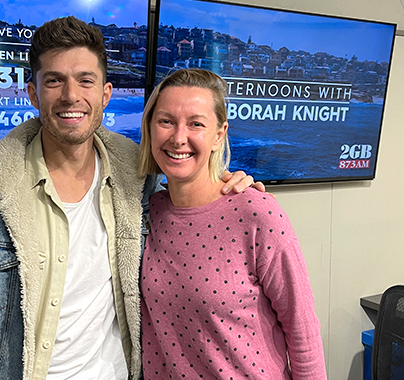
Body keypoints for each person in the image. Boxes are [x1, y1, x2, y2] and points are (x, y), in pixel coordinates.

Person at [0, 16, 261, 379]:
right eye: (54, 80)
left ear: (105, 94)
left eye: (85, 80)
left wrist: (229, 186)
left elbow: (189, 204)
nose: (71, 95)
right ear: (33, 93)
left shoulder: (140, 181)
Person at [138, 68, 327, 379]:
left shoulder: (257, 212)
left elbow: (303, 329)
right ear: (150, 127)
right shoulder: (149, 212)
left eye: (196, 124)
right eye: (166, 121)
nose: (178, 137)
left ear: (219, 135)